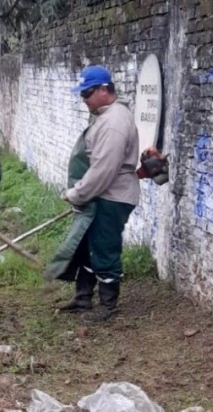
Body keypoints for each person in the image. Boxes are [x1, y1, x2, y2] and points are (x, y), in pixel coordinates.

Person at [45, 65, 140, 323]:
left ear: (102, 90)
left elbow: (103, 172)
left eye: (86, 94)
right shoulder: (105, 116)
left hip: (112, 197)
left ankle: (108, 306)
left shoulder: (114, 124)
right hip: (103, 194)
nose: (83, 100)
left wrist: (77, 194)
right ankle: (83, 297)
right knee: (88, 245)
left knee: (104, 248)